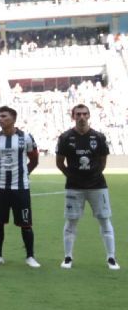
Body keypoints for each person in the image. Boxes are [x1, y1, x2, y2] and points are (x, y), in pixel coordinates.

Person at [55, 104, 118, 270]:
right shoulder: (65, 137)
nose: (81, 117)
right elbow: (60, 163)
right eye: (78, 114)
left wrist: (93, 175)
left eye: (84, 114)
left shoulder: (99, 137)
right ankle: (68, 257)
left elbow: (103, 161)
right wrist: (73, 176)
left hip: (97, 186)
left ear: (89, 116)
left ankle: (111, 258)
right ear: (73, 116)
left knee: (104, 220)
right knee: (71, 221)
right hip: (74, 187)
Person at [0, 106, 41, 267]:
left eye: (4, 116)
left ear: (13, 119)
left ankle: (30, 256)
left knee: (26, 223)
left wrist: (25, 173)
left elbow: (34, 159)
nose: (0, 119)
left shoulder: (26, 138)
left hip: (21, 188)